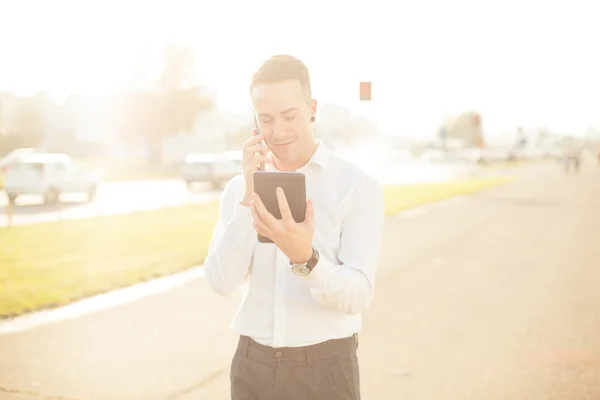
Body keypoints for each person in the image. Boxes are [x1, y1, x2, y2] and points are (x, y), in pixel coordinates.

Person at [204, 54, 385, 400]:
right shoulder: (238, 189)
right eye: (266, 119)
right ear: (254, 121)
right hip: (252, 367)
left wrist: (307, 258)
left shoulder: (356, 187)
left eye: (290, 116)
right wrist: (247, 198)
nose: (278, 131)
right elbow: (220, 281)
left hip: (325, 370)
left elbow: (359, 294)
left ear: (312, 108)